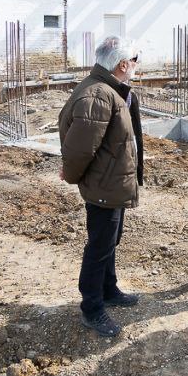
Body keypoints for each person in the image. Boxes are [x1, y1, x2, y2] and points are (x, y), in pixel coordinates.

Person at [58, 36, 145, 338]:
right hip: (103, 185)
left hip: (112, 182)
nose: (136, 65)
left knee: (110, 240)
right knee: (99, 247)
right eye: (135, 59)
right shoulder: (99, 94)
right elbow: (80, 148)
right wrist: (70, 174)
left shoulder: (108, 88)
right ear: (122, 64)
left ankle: (109, 289)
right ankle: (91, 308)